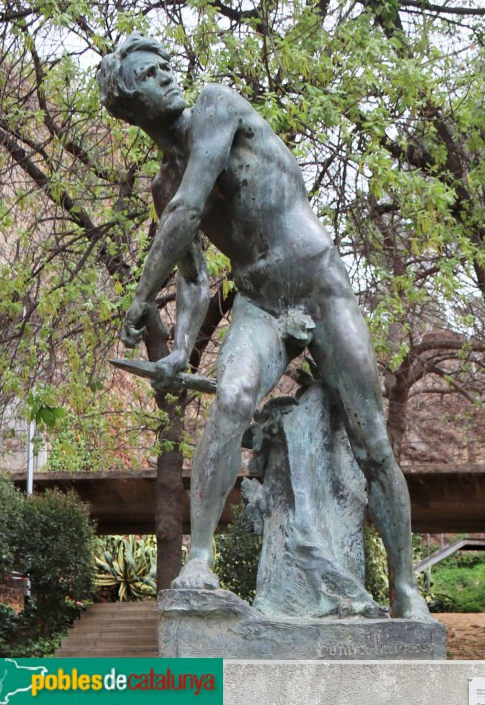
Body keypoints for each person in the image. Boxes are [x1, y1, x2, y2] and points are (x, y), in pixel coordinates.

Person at [97, 33, 432, 620]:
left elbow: (190, 212)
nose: (170, 75)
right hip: (260, 302)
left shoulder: (216, 107)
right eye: (151, 75)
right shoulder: (162, 185)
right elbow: (197, 279)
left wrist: (142, 297)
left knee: (372, 440)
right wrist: (179, 350)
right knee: (231, 399)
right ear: (130, 104)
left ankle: (406, 589)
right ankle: (198, 563)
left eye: (168, 65)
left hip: (318, 285)